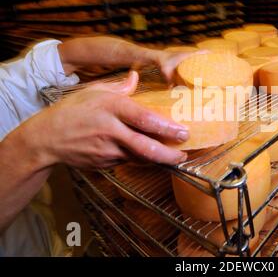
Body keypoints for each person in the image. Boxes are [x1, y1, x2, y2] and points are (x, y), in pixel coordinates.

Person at [0, 36, 196, 256]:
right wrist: (39, 142)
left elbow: (69, 54)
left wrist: (152, 56)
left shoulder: (4, 81)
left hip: (45, 239)